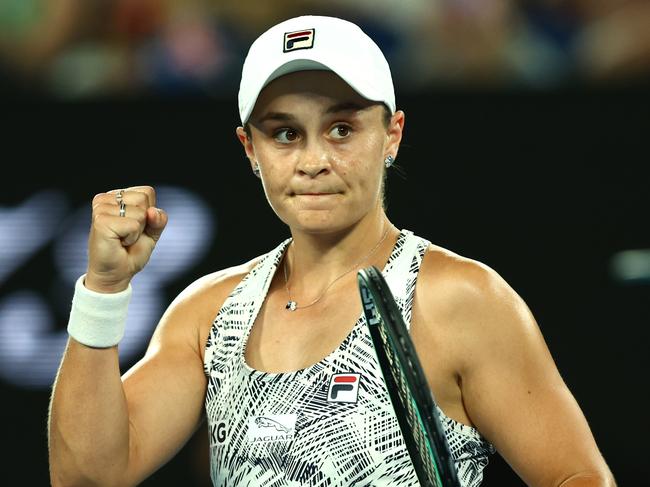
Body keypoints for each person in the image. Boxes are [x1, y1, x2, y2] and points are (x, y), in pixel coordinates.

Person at [47, 14, 616, 487]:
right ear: (250, 148)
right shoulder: (209, 314)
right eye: (285, 133)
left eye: (341, 129)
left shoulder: (461, 300)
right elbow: (86, 478)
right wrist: (103, 289)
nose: (313, 160)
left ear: (391, 134)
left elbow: (579, 479)